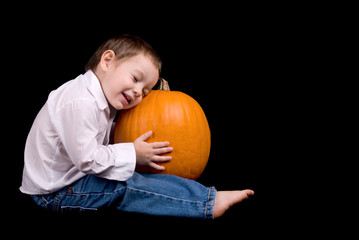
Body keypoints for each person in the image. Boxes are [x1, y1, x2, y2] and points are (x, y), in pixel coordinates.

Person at [20, 34, 254, 219]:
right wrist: (133, 151)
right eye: (135, 79)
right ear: (107, 60)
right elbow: (88, 159)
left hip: (68, 179)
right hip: (55, 193)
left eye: (144, 91)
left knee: (128, 175)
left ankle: (202, 197)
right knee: (126, 186)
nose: (137, 92)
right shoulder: (80, 101)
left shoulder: (96, 97)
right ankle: (205, 203)